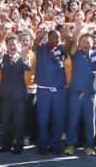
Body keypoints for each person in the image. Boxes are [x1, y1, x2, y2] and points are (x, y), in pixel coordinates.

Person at [65, 25, 96, 157]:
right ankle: (70, 144)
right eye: (83, 42)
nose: (86, 44)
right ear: (80, 43)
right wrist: (78, 30)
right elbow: (73, 45)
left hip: (91, 95)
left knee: (90, 122)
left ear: (93, 43)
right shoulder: (75, 53)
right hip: (76, 94)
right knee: (73, 120)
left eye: (88, 42)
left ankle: (90, 146)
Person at [32, 26, 68, 155]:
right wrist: (39, 37)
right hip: (44, 90)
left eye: (59, 37)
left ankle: (55, 144)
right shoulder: (41, 48)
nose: (58, 39)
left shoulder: (61, 48)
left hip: (59, 90)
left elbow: (70, 46)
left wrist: (68, 36)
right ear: (49, 38)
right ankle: (42, 144)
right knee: (43, 119)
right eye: (55, 37)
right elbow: (35, 46)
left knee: (58, 118)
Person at [0, 35, 30, 155]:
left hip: (19, 95)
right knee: (5, 121)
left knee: (19, 122)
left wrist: (24, 58)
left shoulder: (22, 56)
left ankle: (19, 145)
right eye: (10, 44)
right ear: (6, 46)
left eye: (14, 44)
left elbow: (28, 67)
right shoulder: (3, 57)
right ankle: (6, 145)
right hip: (5, 95)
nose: (12, 46)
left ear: (18, 45)